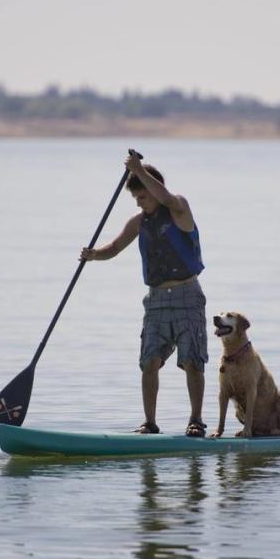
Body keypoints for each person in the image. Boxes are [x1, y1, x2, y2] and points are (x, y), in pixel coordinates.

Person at [80, 151, 209, 436]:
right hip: (156, 301)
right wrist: (93, 255)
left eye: (143, 197)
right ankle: (149, 424)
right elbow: (113, 248)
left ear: (153, 188)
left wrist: (138, 170)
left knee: (192, 361)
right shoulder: (139, 223)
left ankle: (195, 422)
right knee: (149, 362)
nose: (140, 203)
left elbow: (166, 198)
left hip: (188, 296)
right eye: (137, 199)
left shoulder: (179, 209)